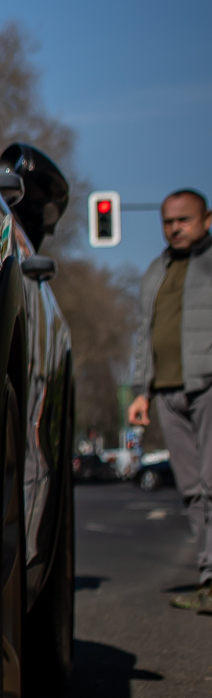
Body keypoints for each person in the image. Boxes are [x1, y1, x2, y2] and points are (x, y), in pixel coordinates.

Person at [129, 189, 212, 609]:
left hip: (208, 386)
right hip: (167, 392)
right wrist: (139, 392)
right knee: (193, 488)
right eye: (167, 221)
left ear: (207, 219)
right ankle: (208, 575)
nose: (175, 228)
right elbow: (144, 333)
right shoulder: (154, 271)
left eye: (184, 219)